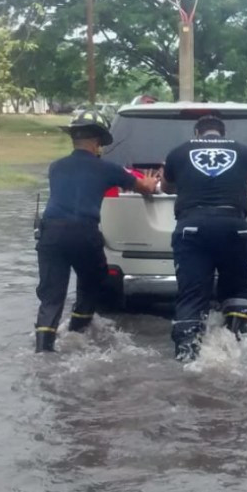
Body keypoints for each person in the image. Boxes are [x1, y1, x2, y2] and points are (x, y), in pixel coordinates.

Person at [160, 115, 247, 363]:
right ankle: (236, 352)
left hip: (191, 230)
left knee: (191, 296)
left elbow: (166, 187)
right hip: (234, 228)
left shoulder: (178, 152)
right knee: (239, 290)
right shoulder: (246, 151)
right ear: (222, 133)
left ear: (198, 133)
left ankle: (187, 359)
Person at [34, 110, 159, 353]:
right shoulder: (107, 169)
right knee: (93, 282)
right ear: (96, 142)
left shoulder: (55, 167)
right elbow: (145, 187)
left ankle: (43, 351)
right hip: (83, 234)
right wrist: (152, 181)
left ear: (74, 139)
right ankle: (78, 332)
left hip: (50, 235)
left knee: (51, 297)